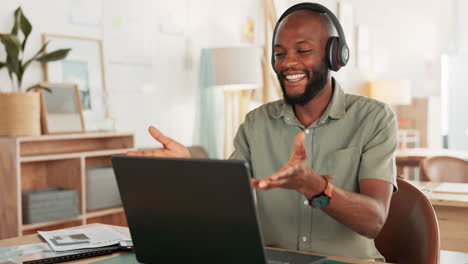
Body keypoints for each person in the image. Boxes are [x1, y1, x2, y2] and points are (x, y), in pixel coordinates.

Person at [128, 2, 397, 261]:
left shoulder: (374, 118)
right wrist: (188, 173)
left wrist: (315, 187)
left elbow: (373, 221)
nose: (287, 63)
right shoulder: (257, 123)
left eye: (302, 51)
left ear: (334, 55)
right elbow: (224, 207)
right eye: (279, 54)